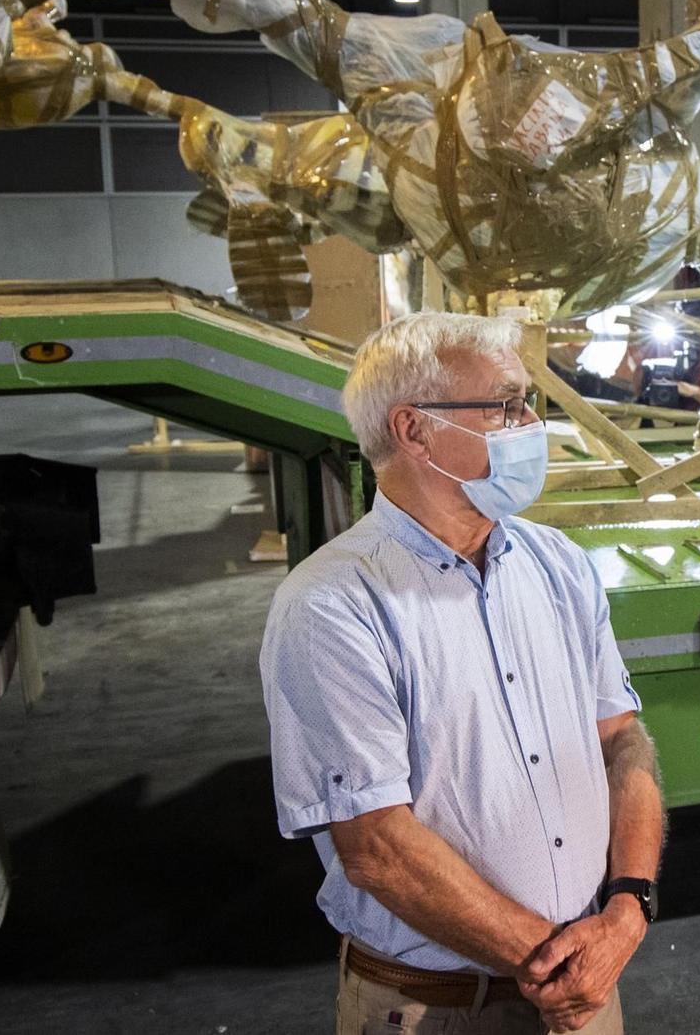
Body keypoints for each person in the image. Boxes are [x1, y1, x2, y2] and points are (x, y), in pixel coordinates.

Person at [261, 312, 664, 1035]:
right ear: (414, 431)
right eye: (504, 406)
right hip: (440, 1010)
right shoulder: (332, 605)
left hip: (587, 983)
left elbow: (622, 740)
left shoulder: (559, 566)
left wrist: (629, 905)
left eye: (526, 403)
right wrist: (557, 962)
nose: (529, 425)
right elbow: (379, 847)